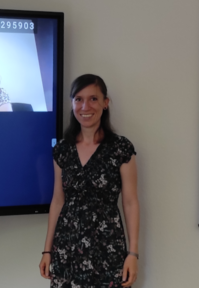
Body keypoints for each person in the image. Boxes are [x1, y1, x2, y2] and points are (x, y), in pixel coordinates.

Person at [39, 74, 140, 287]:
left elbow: (130, 203)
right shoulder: (62, 151)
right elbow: (57, 201)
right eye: (78, 99)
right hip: (66, 249)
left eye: (93, 99)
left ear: (105, 103)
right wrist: (47, 250)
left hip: (107, 248)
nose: (85, 106)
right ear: (72, 103)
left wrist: (133, 253)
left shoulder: (120, 149)